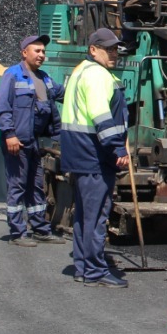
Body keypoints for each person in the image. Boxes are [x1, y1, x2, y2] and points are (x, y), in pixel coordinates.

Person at [60, 27, 131, 288]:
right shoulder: (98, 76)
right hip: (94, 156)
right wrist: (118, 149)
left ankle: (83, 267)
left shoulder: (80, 71)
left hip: (80, 153)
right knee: (96, 217)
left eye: (115, 49)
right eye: (108, 49)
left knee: (84, 216)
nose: (114, 54)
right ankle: (94, 270)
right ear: (93, 49)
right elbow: (102, 117)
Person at [0, 34, 64, 246]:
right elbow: (2, 108)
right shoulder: (13, 75)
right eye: (37, 50)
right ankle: (17, 233)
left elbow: (65, 93)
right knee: (17, 186)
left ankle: (41, 229)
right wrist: (9, 134)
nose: (42, 55)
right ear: (25, 53)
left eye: (43, 51)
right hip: (17, 141)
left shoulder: (45, 78)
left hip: (33, 141)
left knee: (35, 186)